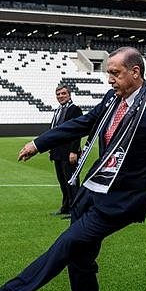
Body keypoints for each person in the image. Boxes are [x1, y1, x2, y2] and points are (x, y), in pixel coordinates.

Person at [0, 47, 146, 291]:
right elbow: (81, 123)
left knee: (68, 243)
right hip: (90, 192)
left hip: (121, 201)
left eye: (115, 73)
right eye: (108, 74)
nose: (109, 79)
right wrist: (39, 143)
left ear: (135, 72)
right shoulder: (111, 101)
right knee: (79, 260)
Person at [49, 84, 83, 217]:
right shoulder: (57, 110)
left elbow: (77, 131)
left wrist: (73, 151)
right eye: (58, 94)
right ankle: (66, 207)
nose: (60, 96)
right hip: (57, 151)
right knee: (62, 181)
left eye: (63, 93)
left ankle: (76, 209)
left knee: (71, 181)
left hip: (69, 152)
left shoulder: (75, 110)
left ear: (69, 95)